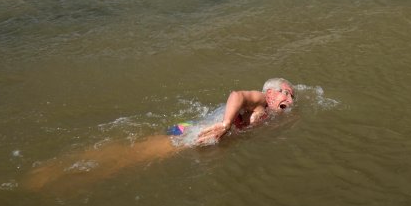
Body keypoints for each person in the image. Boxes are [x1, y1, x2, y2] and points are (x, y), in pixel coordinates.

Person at [23, 78, 295, 191]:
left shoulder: (270, 113)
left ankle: (65, 174)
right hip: (191, 129)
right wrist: (225, 125)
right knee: (132, 157)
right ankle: (53, 175)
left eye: (291, 95)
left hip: (190, 125)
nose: (289, 97)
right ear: (270, 92)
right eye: (285, 91)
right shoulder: (260, 98)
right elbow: (236, 94)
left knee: (135, 153)